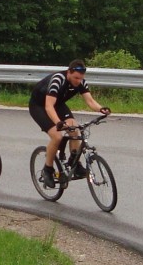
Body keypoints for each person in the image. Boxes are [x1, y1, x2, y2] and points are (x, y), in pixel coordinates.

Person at [29, 59, 110, 188]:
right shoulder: (58, 80)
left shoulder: (81, 81)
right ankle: (48, 170)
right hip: (39, 106)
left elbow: (90, 101)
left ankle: (75, 164)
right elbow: (49, 106)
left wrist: (101, 109)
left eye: (80, 78)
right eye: (76, 78)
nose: (78, 81)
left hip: (58, 104)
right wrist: (58, 123)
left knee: (74, 128)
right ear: (69, 72)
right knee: (57, 136)